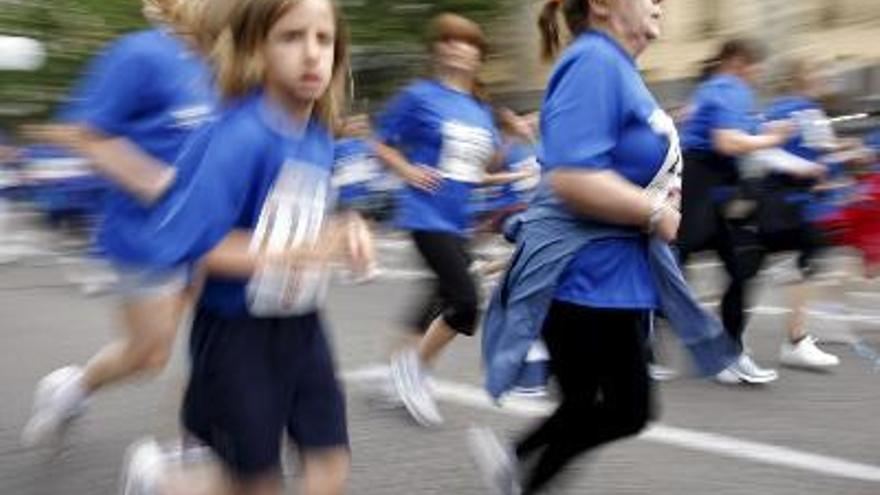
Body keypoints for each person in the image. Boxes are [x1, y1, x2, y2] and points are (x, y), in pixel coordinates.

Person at [469, 0, 729, 492]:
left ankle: (515, 463)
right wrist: (656, 211)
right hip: (584, 275)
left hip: (617, 274)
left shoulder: (620, 69)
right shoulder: (593, 61)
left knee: (601, 405)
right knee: (621, 408)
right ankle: (519, 471)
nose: (660, 3)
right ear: (603, 6)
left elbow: (625, 165)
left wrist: (659, 194)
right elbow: (572, 177)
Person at [119, 1, 370, 494]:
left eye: (324, 40)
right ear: (258, 48)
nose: (312, 54)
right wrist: (285, 255)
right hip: (237, 337)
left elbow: (295, 218)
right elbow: (196, 245)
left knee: (330, 463)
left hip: (302, 326)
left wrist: (347, 228)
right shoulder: (237, 135)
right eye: (292, 37)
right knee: (253, 483)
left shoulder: (319, 138)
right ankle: (160, 479)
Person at [21, 0, 218, 448]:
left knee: (218, 341)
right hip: (144, 235)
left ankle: (188, 457)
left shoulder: (217, 67)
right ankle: (72, 387)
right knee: (148, 355)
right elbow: (88, 135)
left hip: (202, 236)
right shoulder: (140, 54)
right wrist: (162, 184)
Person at [372, 13, 500, 426]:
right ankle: (413, 371)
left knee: (433, 300)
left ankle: (394, 374)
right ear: (437, 51)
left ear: (478, 55)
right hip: (424, 214)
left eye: (467, 42)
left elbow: (479, 168)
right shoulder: (418, 96)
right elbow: (379, 142)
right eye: (448, 40)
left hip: (459, 220)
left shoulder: (481, 110)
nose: (457, 48)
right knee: (465, 300)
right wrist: (407, 170)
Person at [678, 38, 794, 384]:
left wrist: (765, 134)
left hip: (708, 185)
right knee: (674, 269)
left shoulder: (711, 89)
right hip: (705, 186)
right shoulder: (731, 86)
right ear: (740, 62)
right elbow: (727, 142)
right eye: (757, 66)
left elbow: (742, 138)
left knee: (738, 265)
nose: (759, 73)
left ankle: (727, 353)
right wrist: (771, 139)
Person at [762, 57, 845, 369]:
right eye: (816, 69)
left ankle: (796, 339)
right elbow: (767, 151)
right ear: (798, 76)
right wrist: (807, 167)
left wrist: (836, 166)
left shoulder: (813, 111)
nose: (824, 75)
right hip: (784, 200)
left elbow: (824, 155)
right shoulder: (786, 107)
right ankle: (795, 340)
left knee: (807, 255)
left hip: (805, 204)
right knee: (801, 255)